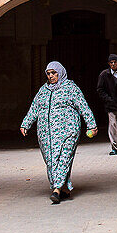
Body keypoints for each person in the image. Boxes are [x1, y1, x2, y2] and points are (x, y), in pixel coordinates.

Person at [20, 61, 98, 203]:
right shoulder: (43, 90)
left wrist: (91, 125)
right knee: (51, 161)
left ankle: (56, 190)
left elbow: (83, 106)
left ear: (60, 72)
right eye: (48, 73)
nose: (51, 76)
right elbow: (34, 108)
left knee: (63, 158)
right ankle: (65, 189)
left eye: (54, 73)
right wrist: (26, 124)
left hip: (68, 131)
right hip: (46, 134)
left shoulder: (70, 88)